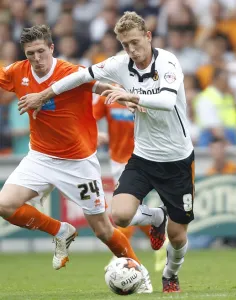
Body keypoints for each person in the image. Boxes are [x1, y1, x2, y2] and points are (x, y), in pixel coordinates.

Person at [19, 12, 195, 293]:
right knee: (120, 215)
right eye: (126, 45)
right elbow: (80, 76)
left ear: (148, 37)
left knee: (177, 236)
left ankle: (171, 274)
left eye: (136, 42)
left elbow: (166, 100)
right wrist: (44, 95)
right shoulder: (119, 64)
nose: (132, 50)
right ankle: (156, 217)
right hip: (143, 157)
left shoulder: (168, 62)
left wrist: (129, 96)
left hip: (177, 159)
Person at [0, 25, 152, 293]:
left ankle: (139, 274)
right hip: (40, 157)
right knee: (5, 205)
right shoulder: (17, 72)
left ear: (51, 49)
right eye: (30, 53)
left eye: (40, 52)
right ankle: (61, 231)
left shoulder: (69, 72)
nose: (36, 58)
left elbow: (99, 85)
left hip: (78, 162)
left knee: (104, 230)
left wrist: (123, 97)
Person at [93, 93, 166, 272]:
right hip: (118, 160)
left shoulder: (144, 92)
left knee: (125, 210)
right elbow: (89, 116)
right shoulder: (108, 95)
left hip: (144, 158)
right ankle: (162, 241)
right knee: (128, 212)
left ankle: (119, 255)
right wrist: (95, 133)